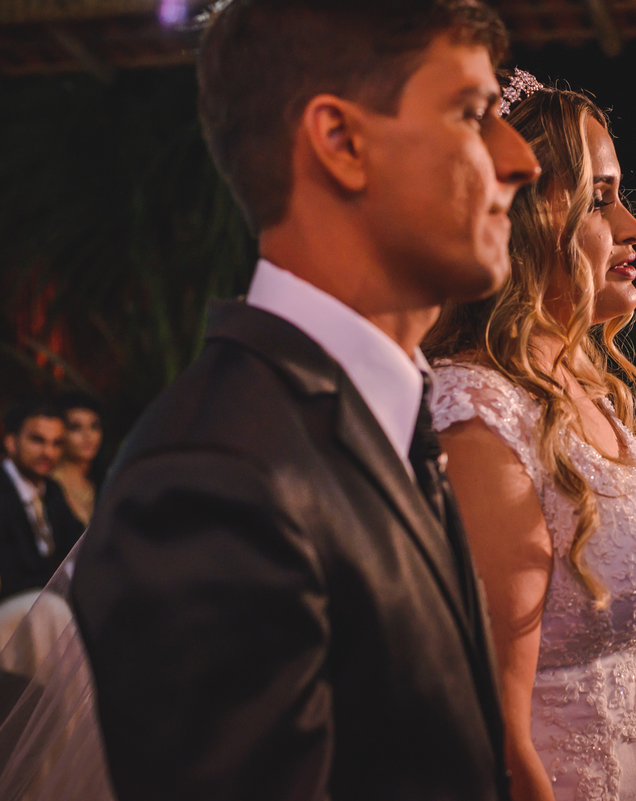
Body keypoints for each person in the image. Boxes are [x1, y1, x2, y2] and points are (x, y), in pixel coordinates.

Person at [64, 1, 540, 799]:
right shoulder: (213, 482)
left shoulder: (376, 420)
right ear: (341, 142)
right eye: (471, 112)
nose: (519, 159)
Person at [425, 77, 636, 801]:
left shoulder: (587, 390)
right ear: (520, 218)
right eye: (599, 198)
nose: (633, 227)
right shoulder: (477, 412)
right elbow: (491, 727)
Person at [0, 400, 84, 602]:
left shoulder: (52, 490)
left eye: (57, 443)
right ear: (11, 442)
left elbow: (78, 545)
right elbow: (10, 574)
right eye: (38, 441)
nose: (49, 452)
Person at [53, 393, 104, 527]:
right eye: (75, 427)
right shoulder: (50, 484)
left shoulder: (102, 482)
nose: (87, 435)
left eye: (94, 426)